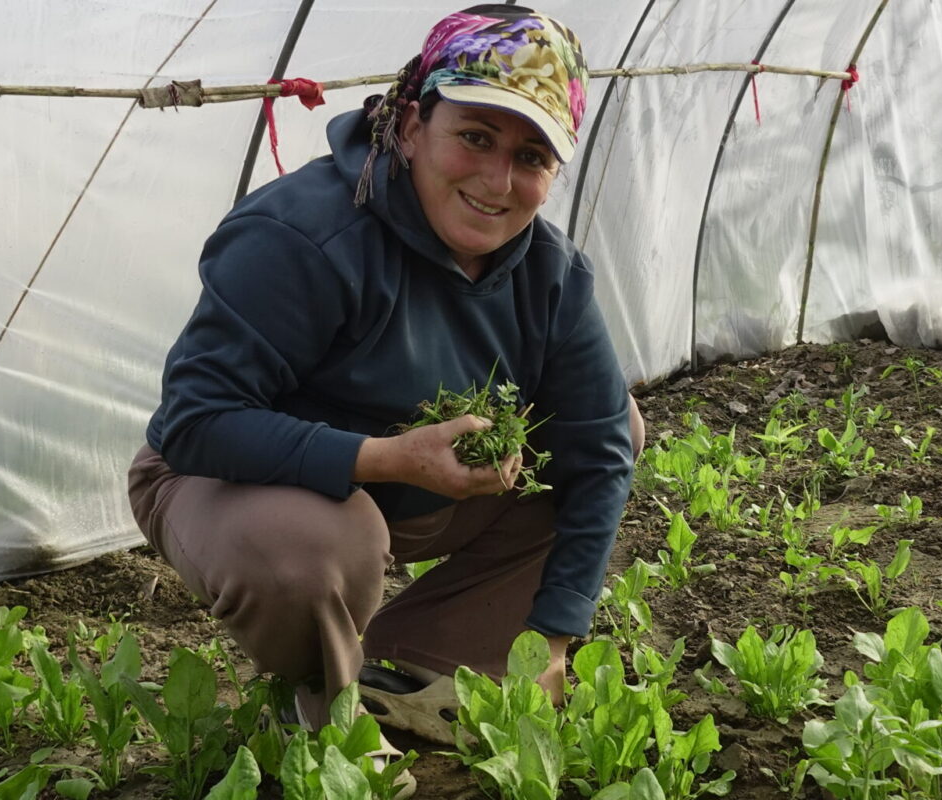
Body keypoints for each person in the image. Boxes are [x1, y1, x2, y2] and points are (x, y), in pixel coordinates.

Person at [127, 4, 642, 790]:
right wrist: (384, 459)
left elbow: (603, 451)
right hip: (228, 483)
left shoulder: (551, 276)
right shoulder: (304, 235)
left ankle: (398, 665)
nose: (498, 181)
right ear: (409, 124)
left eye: (532, 156)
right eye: (474, 136)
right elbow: (195, 419)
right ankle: (323, 707)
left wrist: (553, 641)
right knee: (318, 543)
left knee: (615, 431)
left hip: (411, 492)